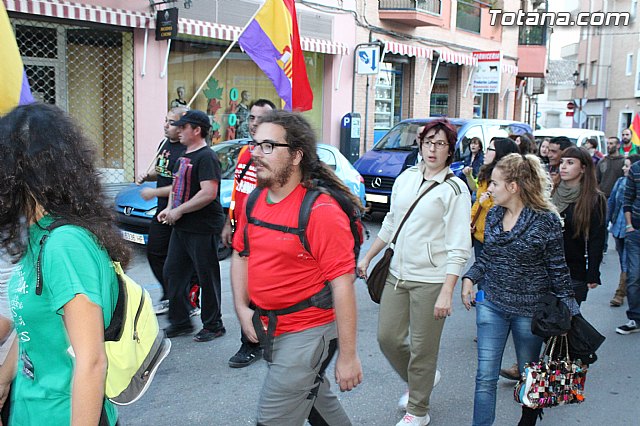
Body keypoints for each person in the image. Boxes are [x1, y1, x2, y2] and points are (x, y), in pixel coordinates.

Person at [0, 103, 131, 425]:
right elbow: (39, 325)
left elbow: (92, 362)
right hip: (30, 408)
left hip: (64, 414)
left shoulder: (64, 244)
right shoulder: (37, 234)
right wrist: (5, 377)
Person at [231, 110, 363, 424]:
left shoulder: (321, 211)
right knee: (316, 401)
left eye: (268, 146)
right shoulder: (255, 199)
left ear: (295, 156)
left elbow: (342, 287)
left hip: (309, 330)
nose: (256, 154)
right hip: (270, 325)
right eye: (255, 144)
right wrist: (241, 308)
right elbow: (241, 254)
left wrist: (348, 355)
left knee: (272, 418)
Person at [357, 118, 472, 426]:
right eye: (428, 142)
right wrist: (368, 256)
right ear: (420, 145)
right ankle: (424, 377)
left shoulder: (455, 189)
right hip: (397, 273)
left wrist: (448, 289)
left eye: (441, 144)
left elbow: (460, 245)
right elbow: (392, 222)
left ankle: (418, 411)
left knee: (423, 348)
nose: (433, 149)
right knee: (388, 338)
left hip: (432, 280)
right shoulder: (407, 177)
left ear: (450, 151)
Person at [461, 153, 580, 426]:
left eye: (494, 183)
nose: (489, 188)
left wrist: (571, 313)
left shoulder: (545, 220)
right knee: (485, 376)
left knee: (530, 374)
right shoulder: (493, 215)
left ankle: (527, 420)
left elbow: (558, 269)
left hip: (530, 312)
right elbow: (488, 257)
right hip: (492, 304)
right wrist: (469, 278)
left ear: (513, 187)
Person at [158, 109, 227, 341]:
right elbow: (176, 187)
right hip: (182, 227)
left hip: (203, 227)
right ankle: (181, 321)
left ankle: (214, 325)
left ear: (197, 130)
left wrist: (178, 210)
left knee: (206, 276)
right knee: (172, 272)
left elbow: (208, 193)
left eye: (184, 127)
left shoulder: (206, 157)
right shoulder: (183, 155)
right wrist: (169, 208)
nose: (179, 130)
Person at [221, 98, 276, 368]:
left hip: (263, 237)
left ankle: (254, 342)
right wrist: (229, 224)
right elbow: (238, 194)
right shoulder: (245, 153)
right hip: (241, 234)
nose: (254, 123)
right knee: (246, 290)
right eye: (252, 118)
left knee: (257, 292)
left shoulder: (275, 157)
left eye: (261, 118)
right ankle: (254, 340)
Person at [137, 106, 188, 315]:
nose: (166, 126)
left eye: (171, 122)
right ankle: (170, 294)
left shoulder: (186, 150)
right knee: (155, 253)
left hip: (178, 211)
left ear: (183, 127)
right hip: (161, 210)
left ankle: (184, 301)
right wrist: (147, 177)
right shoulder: (165, 144)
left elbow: (181, 184)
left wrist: (154, 192)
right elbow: (162, 171)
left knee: (178, 261)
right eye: (165, 121)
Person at [552, 146, 607, 305]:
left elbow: (597, 238)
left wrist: (593, 272)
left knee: (565, 321)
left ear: (583, 168)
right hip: (545, 267)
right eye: (562, 162)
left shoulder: (593, 199)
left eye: (570, 163)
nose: (563, 166)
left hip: (573, 269)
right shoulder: (551, 192)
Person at [469, 138, 519, 286]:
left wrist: (487, 204)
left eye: (490, 149)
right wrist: (471, 221)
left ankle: (486, 305)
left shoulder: (510, 180)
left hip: (498, 238)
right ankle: (482, 303)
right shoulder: (485, 173)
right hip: (480, 235)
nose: (485, 152)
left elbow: (508, 209)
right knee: (481, 278)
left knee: (495, 280)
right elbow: (478, 201)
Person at [608, 154, 640, 306]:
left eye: (627, 166)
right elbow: (613, 202)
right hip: (619, 228)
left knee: (629, 264)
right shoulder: (621, 182)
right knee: (624, 261)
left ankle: (620, 293)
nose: (624, 168)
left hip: (631, 229)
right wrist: (607, 222)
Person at [616, 155, 640, 334]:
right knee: (634, 276)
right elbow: (628, 199)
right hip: (636, 232)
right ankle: (635, 319)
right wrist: (629, 225)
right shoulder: (636, 168)